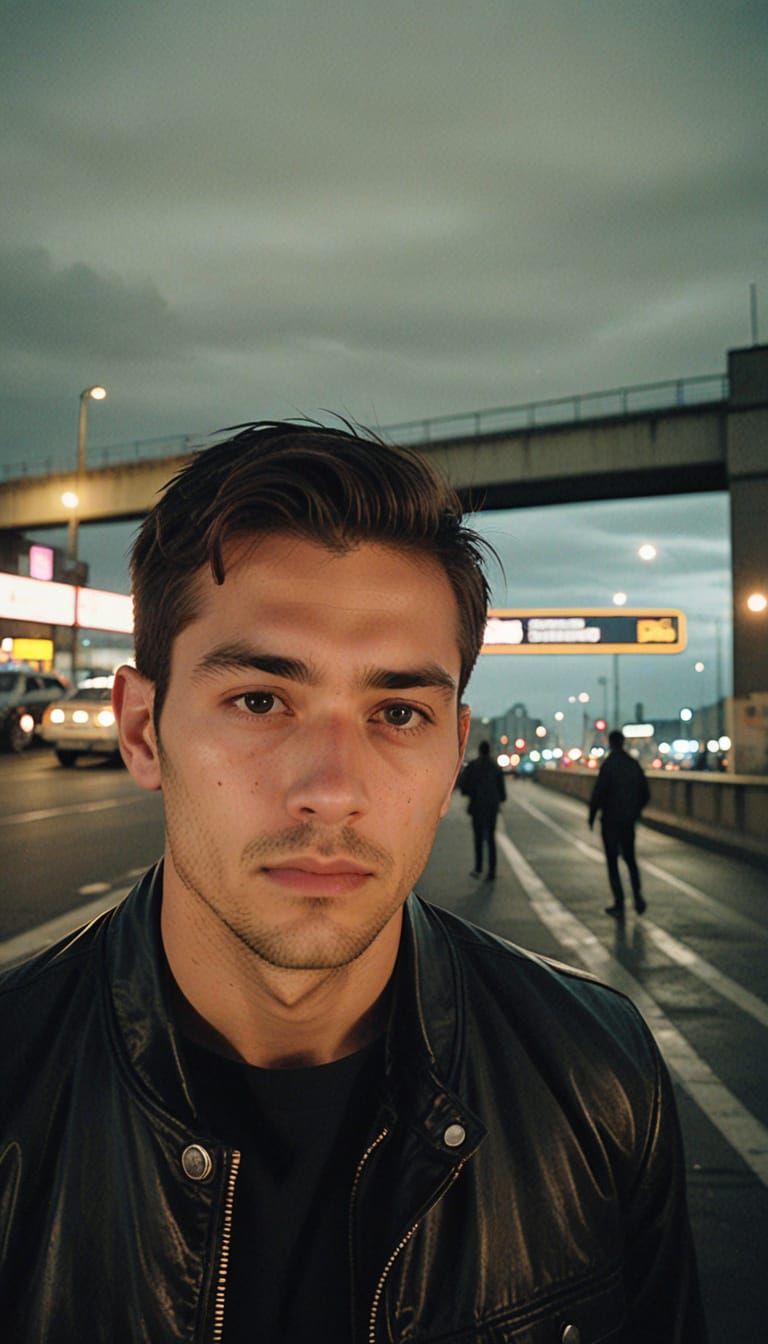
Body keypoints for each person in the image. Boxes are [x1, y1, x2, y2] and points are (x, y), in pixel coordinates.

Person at [0, 422, 706, 1343]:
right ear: (142, 730)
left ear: (455, 752)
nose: (331, 789)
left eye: (399, 712)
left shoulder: (600, 1079)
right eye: (261, 701)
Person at [589, 728, 652, 918]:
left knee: (612, 862)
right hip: (627, 820)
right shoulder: (633, 764)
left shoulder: (609, 765)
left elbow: (599, 793)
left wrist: (592, 816)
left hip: (610, 821)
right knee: (630, 859)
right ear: (623, 742)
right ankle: (638, 896)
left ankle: (619, 902)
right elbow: (645, 793)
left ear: (610, 743)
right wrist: (635, 811)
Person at [459, 739, 506, 879]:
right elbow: (502, 791)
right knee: (491, 838)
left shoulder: (473, 766)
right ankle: (492, 871)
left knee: (478, 838)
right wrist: (499, 799)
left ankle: (478, 868)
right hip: (491, 807)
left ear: (479, 751)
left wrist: (471, 794)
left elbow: (464, 785)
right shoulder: (495, 766)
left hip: (477, 806)